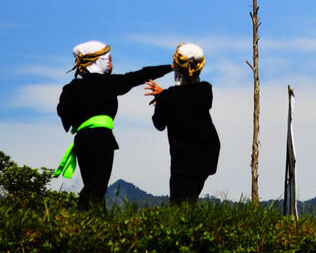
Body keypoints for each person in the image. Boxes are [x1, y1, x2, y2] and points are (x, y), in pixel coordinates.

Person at [55, 40, 172, 209]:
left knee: (92, 183)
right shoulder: (108, 83)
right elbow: (139, 75)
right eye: (108, 59)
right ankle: (83, 216)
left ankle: (92, 220)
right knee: (97, 186)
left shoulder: (71, 88)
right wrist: (170, 67)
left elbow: (63, 111)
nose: (111, 63)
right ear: (99, 60)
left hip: (82, 140)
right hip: (102, 139)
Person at [145, 43, 220, 203]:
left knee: (180, 203)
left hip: (183, 161)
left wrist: (160, 99)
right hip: (207, 155)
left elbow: (159, 124)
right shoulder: (206, 90)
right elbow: (185, 96)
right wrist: (165, 95)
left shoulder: (168, 98)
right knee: (191, 195)